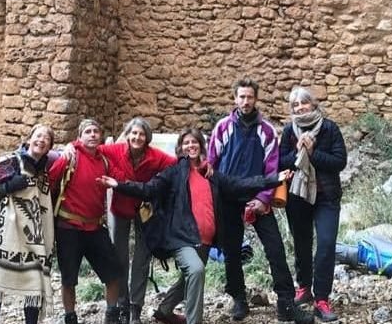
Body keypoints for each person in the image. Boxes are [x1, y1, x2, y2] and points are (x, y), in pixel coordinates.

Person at [97, 128, 298, 324]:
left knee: (190, 278)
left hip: (206, 239)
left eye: (194, 142)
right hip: (182, 237)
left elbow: (240, 184)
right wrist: (118, 185)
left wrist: (274, 179)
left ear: (201, 146)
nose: (191, 145)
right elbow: (149, 189)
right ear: (180, 148)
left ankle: (165, 310)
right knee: (196, 270)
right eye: (186, 143)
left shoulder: (211, 174)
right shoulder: (174, 172)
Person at [208, 78, 301, 322]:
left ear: (256, 99)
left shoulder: (267, 131)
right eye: (242, 97)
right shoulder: (222, 128)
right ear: (235, 98)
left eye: (250, 97)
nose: (246, 101)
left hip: (259, 199)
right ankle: (239, 298)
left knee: (275, 250)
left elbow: (272, 167)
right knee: (231, 253)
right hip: (228, 199)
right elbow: (212, 165)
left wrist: (263, 198)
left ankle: (285, 302)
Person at [279, 87, 348, 323]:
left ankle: (321, 299)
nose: (299, 108)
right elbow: (281, 161)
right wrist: (297, 152)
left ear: (313, 104)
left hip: (326, 196)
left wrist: (313, 151)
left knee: (326, 245)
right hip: (298, 196)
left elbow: (340, 162)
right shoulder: (289, 131)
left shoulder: (329, 128)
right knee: (301, 243)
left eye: (303, 103)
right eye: (295, 105)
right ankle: (304, 288)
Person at [99, 118, 177, 324]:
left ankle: (136, 307)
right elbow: (90, 150)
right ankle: (122, 304)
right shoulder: (115, 150)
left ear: (147, 138)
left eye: (141, 134)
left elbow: (177, 165)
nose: (137, 137)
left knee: (142, 257)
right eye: (133, 133)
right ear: (127, 135)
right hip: (120, 207)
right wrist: (72, 147)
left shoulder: (154, 156)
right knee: (120, 256)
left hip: (145, 208)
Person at [0, 124, 57, 324]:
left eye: (46, 139)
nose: (41, 141)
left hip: (31, 236)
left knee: (35, 283)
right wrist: (7, 187)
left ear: (49, 147)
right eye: (38, 136)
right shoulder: (10, 162)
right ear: (29, 139)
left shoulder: (43, 173)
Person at [49, 118, 123, 324]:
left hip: (96, 227)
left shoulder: (105, 160)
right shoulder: (70, 156)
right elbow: (50, 181)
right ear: (79, 137)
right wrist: (68, 147)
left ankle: (111, 315)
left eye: (96, 131)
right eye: (88, 131)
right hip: (68, 228)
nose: (92, 134)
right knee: (69, 279)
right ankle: (70, 317)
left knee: (113, 273)